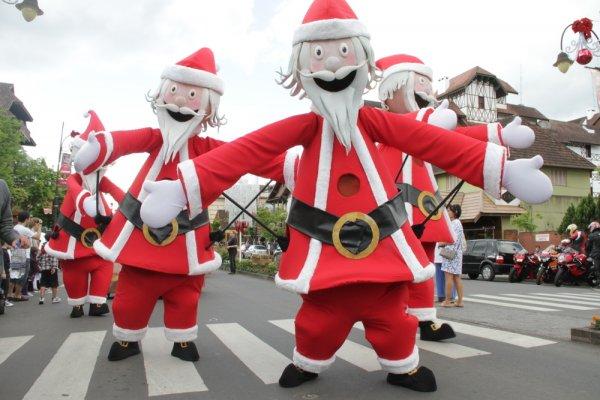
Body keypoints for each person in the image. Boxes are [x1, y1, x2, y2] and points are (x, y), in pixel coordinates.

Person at [140, 0, 552, 392]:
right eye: (319, 54)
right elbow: (247, 151)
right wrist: (184, 188)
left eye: (342, 52)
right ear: (302, 67)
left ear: (363, 61)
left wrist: (499, 168)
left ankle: (402, 366)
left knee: (392, 318)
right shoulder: (304, 127)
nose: (333, 64)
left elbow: (432, 143)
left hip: (383, 249)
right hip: (322, 252)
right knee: (318, 323)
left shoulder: (375, 121)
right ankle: (308, 360)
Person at [74, 48, 288, 363]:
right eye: (174, 92)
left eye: (190, 95)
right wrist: (100, 147)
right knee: (132, 294)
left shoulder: (206, 147)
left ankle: (183, 340)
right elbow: (124, 140)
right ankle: (127, 338)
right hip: (139, 238)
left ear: (207, 108)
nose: (179, 101)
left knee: (185, 295)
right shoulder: (154, 139)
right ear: (162, 93)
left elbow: (248, 154)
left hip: (185, 238)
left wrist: (290, 168)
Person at [375, 54, 534, 341]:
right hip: (389, 210)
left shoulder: (428, 125)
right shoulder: (380, 124)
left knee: (422, 266)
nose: (425, 91)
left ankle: (425, 320)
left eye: (427, 84)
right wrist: (426, 119)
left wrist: (495, 133)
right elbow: (408, 127)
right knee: (392, 267)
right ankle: (386, 317)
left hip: (422, 207)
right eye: (417, 84)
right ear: (388, 94)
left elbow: (457, 136)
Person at [46, 111, 125, 319]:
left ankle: (98, 302)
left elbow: (119, 194)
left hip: (100, 241)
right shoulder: (75, 180)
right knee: (75, 272)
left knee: (103, 268)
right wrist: (85, 201)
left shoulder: (102, 182)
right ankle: (78, 304)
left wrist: (132, 206)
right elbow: (75, 193)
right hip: (74, 239)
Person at [440, 205, 464, 308]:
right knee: (456, 278)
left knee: (448, 277)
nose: (448, 212)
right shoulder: (458, 223)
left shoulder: (454, 223)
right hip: (457, 253)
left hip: (450, 253)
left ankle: (447, 301)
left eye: (449, 210)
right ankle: (459, 301)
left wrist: (441, 243)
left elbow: (451, 239)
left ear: (455, 212)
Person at [10, 211, 37, 300]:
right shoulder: (25, 229)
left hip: (15, 254)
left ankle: (10, 294)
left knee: (14, 274)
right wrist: (39, 226)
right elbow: (38, 236)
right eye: (29, 218)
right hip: (24, 255)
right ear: (27, 219)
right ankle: (18, 295)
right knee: (22, 276)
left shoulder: (14, 227)